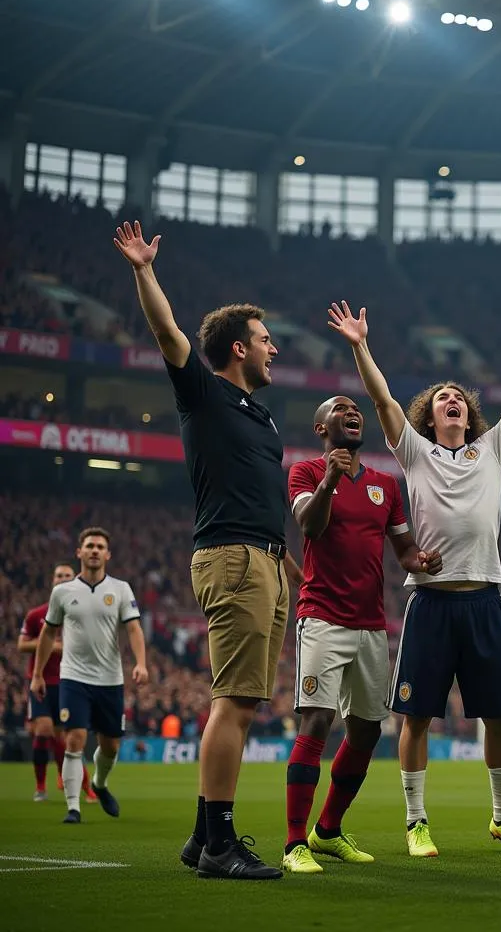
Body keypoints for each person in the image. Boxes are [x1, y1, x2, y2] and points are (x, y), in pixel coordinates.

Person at [330, 300, 501, 858]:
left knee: (498, 715)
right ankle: (417, 822)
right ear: (430, 416)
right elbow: (382, 399)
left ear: (469, 417)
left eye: (459, 399)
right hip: (431, 604)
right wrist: (359, 345)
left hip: (484, 599)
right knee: (415, 717)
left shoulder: (492, 449)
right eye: (442, 398)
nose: (451, 401)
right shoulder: (414, 453)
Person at [113, 220, 295, 880]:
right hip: (234, 558)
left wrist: (287, 563)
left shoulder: (261, 416)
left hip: (265, 558)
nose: (275, 349)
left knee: (243, 700)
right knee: (235, 701)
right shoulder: (205, 392)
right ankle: (220, 845)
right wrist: (143, 270)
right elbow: (168, 335)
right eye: (267, 340)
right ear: (239, 347)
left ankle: (200, 836)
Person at [281, 395, 442, 874]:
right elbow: (310, 525)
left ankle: (328, 830)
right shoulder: (305, 473)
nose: (352, 413)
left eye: (356, 409)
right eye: (339, 408)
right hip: (323, 616)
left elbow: (405, 549)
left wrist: (423, 562)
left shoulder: (385, 485)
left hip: (371, 623)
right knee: (316, 721)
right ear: (320, 426)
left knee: (369, 730)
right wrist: (331, 476)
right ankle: (294, 844)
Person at [31, 528, 148, 824]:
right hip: (73, 677)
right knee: (75, 739)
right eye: (89, 546)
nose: (94, 550)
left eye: (100, 546)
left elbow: (133, 628)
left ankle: (99, 783)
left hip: (110, 678)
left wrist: (141, 663)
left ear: (107, 554)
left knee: (110, 746)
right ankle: (73, 807)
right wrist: (37, 675)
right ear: (79, 552)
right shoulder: (62, 592)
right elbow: (47, 634)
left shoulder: (120, 589)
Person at [18, 562, 96, 803]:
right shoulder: (36, 615)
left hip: (69, 682)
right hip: (40, 681)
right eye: (58, 575)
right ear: (52, 581)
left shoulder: (82, 614)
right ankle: (40, 787)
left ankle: (82, 784)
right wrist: (54, 646)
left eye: (67, 576)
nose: (62, 579)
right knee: (43, 730)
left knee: (66, 739)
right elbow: (22, 645)